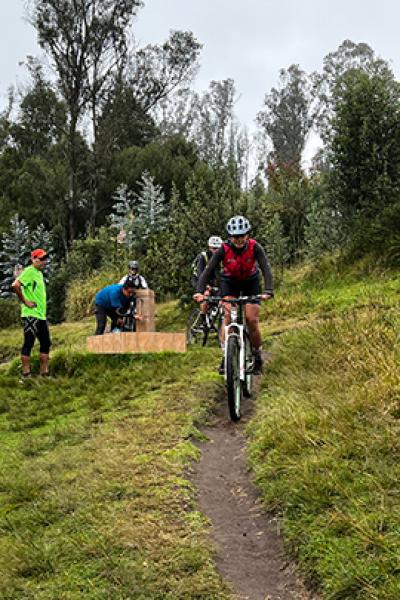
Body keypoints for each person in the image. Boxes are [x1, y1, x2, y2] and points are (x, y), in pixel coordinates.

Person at [193, 216, 273, 374]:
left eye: (242, 236)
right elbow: (208, 270)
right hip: (229, 283)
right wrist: (199, 291)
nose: (239, 240)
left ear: (247, 235)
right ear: (230, 237)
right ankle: (226, 356)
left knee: (251, 320)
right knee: (228, 318)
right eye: (235, 237)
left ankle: (257, 356)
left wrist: (268, 291)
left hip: (251, 282)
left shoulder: (255, 247)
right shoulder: (223, 249)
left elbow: (266, 267)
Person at [11, 248, 51, 377]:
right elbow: (15, 285)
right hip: (30, 314)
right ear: (34, 260)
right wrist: (25, 301)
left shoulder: (39, 273)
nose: (44, 261)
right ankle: (26, 374)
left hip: (40, 315)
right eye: (41, 259)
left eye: (45, 258)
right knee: (29, 343)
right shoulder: (29, 271)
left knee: (46, 343)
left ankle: (44, 374)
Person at [191, 236, 223, 322]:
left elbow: (220, 275)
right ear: (209, 247)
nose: (216, 250)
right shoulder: (203, 256)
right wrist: (206, 288)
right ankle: (203, 319)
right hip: (198, 279)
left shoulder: (221, 257)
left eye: (218, 248)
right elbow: (200, 274)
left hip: (212, 280)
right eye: (214, 248)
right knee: (206, 296)